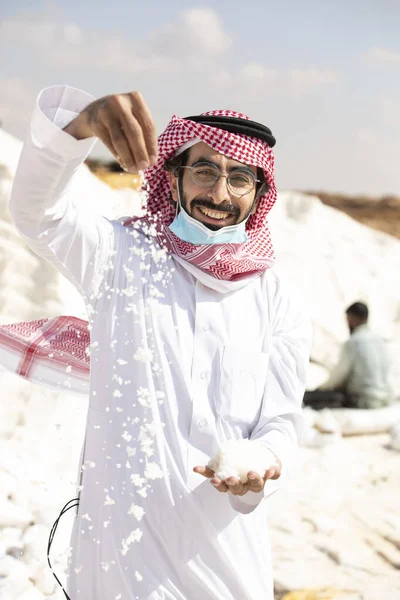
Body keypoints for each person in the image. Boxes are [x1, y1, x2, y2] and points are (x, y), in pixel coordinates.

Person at [3, 85, 312, 599]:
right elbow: (39, 216)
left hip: (227, 547)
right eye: (205, 171)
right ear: (173, 176)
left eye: (239, 177)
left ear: (259, 193)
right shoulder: (120, 256)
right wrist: (80, 123)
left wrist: (262, 463)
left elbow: (281, 422)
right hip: (127, 548)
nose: (219, 194)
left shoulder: (277, 298)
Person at [304, 302, 393, 410]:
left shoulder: (354, 342)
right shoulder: (379, 340)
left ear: (353, 319)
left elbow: (338, 377)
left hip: (365, 400)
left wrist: (320, 390)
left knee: (311, 396)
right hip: (386, 399)